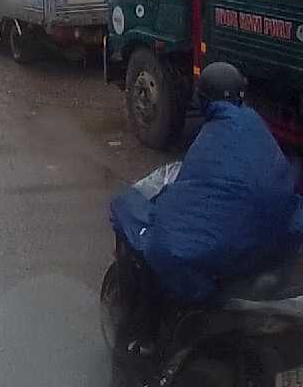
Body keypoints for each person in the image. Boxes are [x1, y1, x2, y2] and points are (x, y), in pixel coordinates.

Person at [111, 62, 303, 352]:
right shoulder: (254, 125)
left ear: (203, 99)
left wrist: (166, 209)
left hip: (228, 247)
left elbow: (191, 194)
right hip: (273, 239)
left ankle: (146, 341)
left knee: (156, 246)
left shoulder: (212, 135)